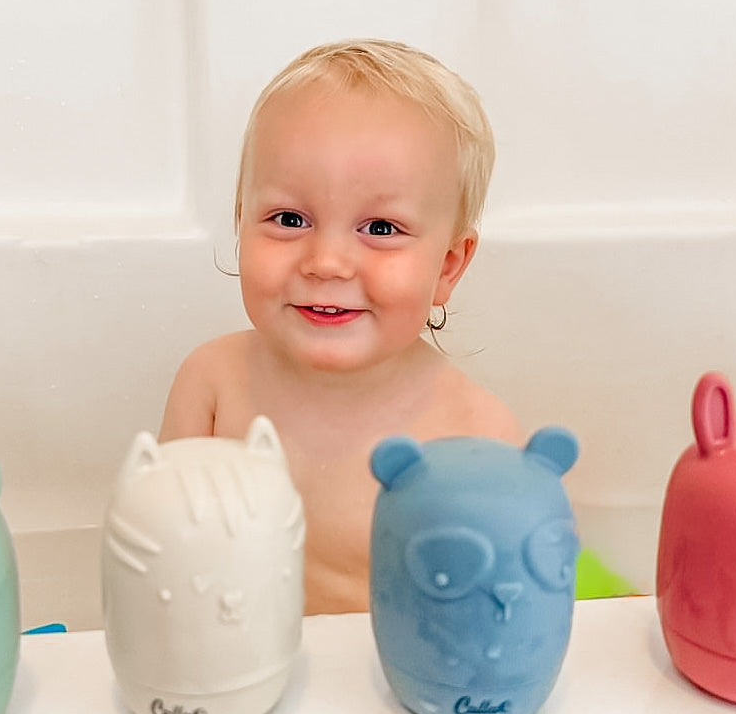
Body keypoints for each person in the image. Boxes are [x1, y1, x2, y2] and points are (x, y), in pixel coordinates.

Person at [160, 38, 522, 615]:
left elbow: (502, 605)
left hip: (384, 668)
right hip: (234, 656)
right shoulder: (212, 384)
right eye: (289, 219)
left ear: (447, 268)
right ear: (240, 227)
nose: (326, 262)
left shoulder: (476, 436)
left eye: (380, 229)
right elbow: (159, 547)